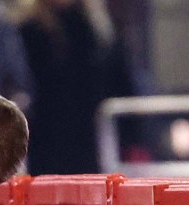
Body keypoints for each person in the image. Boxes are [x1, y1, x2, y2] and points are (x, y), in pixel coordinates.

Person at [17, 0, 135, 174]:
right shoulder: (27, 30)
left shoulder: (100, 30)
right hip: (47, 145)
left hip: (93, 144)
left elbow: (122, 85)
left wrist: (132, 140)